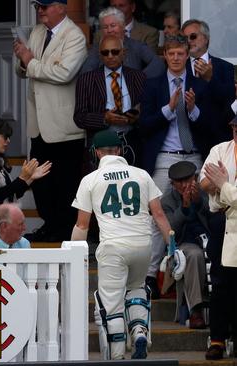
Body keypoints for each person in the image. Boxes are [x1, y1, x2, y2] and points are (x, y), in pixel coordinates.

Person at [71, 129, 172, 360]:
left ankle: (117, 356)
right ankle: (138, 332)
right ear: (119, 150)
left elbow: (82, 225)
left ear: (96, 153)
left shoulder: (90, 180)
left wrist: (72, 254)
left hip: (113, 247)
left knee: (112, 304)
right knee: (136, 290)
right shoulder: (142, 175)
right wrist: (172, 247)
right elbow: (158, 214)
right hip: (143, 245)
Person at [140, 35, 209, 292]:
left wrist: (193, 110)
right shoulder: (154, 85)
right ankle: (150, 276)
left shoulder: (199, 85)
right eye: (172, 54)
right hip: (166, 157)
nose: (177, 58)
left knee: (209, 204)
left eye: (181, 53)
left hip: (194, 155)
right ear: (165, 56)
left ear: (187, 55)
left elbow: (212, 124)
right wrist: (168, 109)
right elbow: (144, 125)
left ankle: (205, 264)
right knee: (156, 213)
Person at [13, 0, 87, 242]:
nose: (40, 10)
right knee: (41, 182)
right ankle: (49, 225)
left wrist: (30, 61)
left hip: (64, 125)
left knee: (65, 182)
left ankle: (65, 229)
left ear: (62, 8)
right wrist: (22, 59)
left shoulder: (74, 36)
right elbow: (22, 69)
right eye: (37, 6)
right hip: (38, 123)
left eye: (45, 5)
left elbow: (64, 73)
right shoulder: (37, 32)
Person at [0, 115, 51, 242]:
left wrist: (29, 178)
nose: (8, 141)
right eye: (5, 137)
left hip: (2, 227)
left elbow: (13, 193)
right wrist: (22, 178)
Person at [75, 34, 146, 167]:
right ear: (100, 56)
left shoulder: (138, 77)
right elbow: (79, 117)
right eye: (105, 52)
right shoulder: (87, 79)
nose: (110, 56)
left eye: (115, 51)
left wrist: (137, 115)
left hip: (131, 140)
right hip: (101, 143)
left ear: (124, 53)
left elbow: (148, 111)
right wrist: (105, 118)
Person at [199, 115, 237, 360]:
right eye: (235, 126)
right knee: (220, 284)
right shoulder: (220, 150)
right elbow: (203, 183)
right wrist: (218, 184)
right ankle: (217, 339)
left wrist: (223, 183)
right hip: (222, 218)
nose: (236, 130)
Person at [161, 161, 209, 329]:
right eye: (178, 182)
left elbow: (215, 218)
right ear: (172, 184)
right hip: (183, 244)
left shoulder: (205, 192)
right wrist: (185, 206)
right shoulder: (166, 201)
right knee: (195, 255)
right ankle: (196, 310)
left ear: (195, 178)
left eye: (187, 180)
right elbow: (170, 229)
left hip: (208, 239)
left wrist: (198, 202)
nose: (184, 185)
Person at [181, 19, 236, 147]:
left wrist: (210, 79)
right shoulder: (179, 67)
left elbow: (229, 102)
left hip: (218, 139)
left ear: (206, 39)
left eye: (193, 36)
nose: (189, 41)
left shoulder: (225, 67)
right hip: (189, 141)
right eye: (185, 38)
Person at [81, 7, 164, 79]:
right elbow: (85, 72)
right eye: (105, 27)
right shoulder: (97, 48)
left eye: (113, 25)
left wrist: (139, 78)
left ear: (123, 26)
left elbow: (158, 64)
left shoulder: (136, 46)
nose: (109, 30)